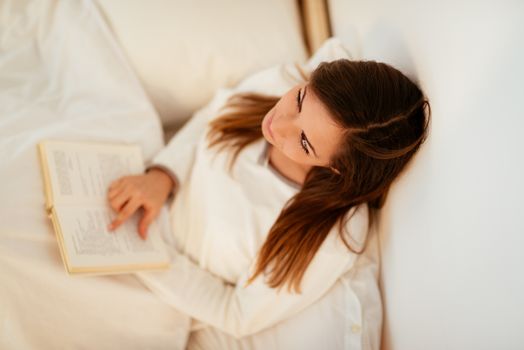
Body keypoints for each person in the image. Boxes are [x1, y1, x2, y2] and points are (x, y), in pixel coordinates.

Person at [106, 58, 431, 349]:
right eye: (301, 99)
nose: (279, 125)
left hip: (155, 281)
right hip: (142, 191)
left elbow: (236, 313)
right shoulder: (278, 81)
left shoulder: (331, 234)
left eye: (305, 142)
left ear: (336, 167)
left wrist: (142, 256)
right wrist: (162, 175)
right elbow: (210, 117)